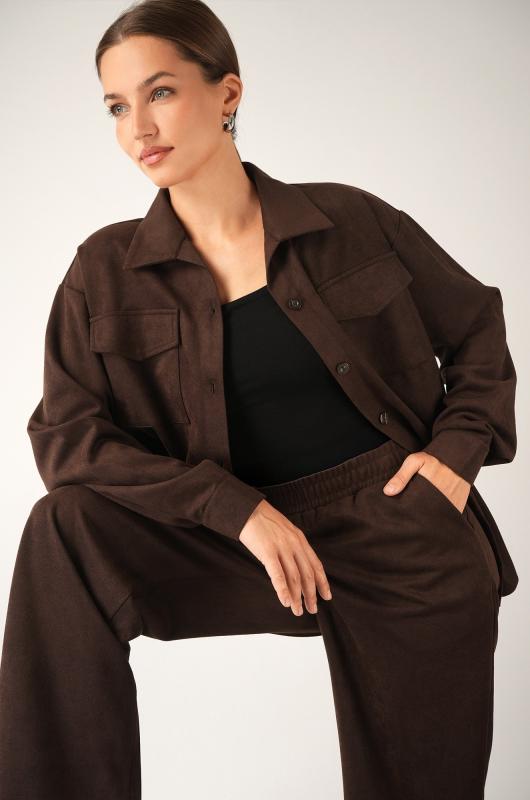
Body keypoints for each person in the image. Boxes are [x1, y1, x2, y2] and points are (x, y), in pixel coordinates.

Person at [0, 1, 518, 798]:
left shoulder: (348, 219)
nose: (139, 127)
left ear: (228, 93)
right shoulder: (102, 271)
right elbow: (68, 438)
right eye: (116, 107)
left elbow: (475, 323)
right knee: (62, 528)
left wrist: (455, 455)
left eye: (160, 92)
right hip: (230, 541)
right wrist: (232, 508)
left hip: (395, 526)